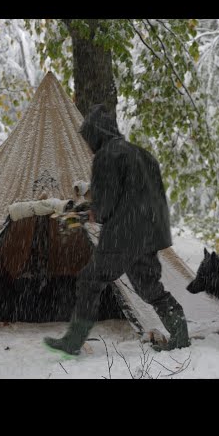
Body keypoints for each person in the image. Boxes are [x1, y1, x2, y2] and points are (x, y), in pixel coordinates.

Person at [44, 104, 190, 355]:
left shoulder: (106, 155)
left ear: (96, 133)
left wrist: (90, 212)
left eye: (89, 138)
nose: (89, 144)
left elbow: (106, 203)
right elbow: (141, 196)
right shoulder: (143, 155)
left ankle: (73, 341)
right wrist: (96, 208)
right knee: (149, 287)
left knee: (90, 280)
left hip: (123, 234)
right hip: (149, 234)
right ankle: (180, 335)